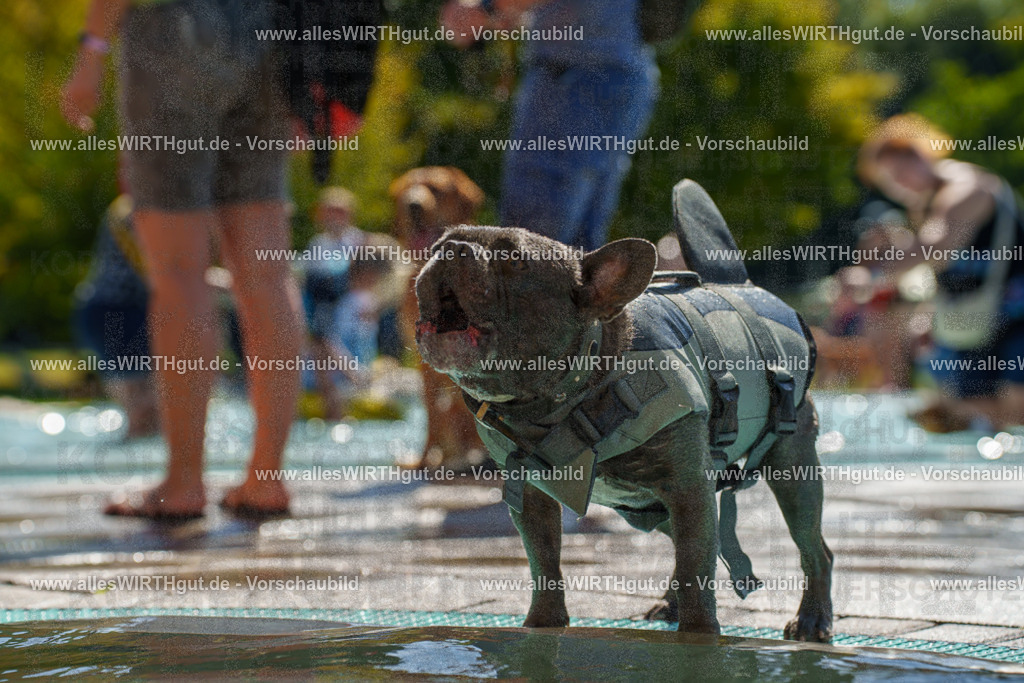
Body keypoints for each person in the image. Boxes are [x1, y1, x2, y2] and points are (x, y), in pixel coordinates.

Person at [62, 0, 303, 519]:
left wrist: (92, 50)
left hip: (170, 30)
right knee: (267, 273)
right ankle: (266, 480)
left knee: (178, 274)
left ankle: (183, 485)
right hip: (268, 35)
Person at [442, 0, 659, 250]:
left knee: (527, 243)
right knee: (579, 251)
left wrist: (487, 8)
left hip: (573, 83)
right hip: (619, 72)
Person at [858, 114, 1024, 431]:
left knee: (1016, 405)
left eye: (900, 173)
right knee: (975, 407)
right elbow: (940, 271)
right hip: (976, 321)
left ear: (922, 154)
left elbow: (936, 247)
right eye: (889, 181)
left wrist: (872, 275)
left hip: (1015, 315)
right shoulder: (924, 204)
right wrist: (926, 313)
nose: (899, 185)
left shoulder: (967, 188)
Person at [73, 194, 159, 438]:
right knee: (144, 411)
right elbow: (160, 273)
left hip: (117, 312)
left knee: (151, 414)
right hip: (116, 315)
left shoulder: (134, 207)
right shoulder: (131, 212)